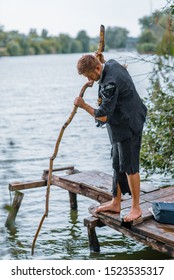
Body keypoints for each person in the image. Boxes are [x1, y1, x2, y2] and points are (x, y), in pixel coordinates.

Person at [74, 54, 147, 222]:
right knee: (117, 163)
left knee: (130, 166)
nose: (88, 79)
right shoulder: (110, 63)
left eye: (89, 75)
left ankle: (136, 208)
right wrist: (101, 59)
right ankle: (116, 202)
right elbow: (105, 63)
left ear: (98, 68)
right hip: (118, 123)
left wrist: (83, 105)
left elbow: (103, 116)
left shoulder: (110, 84)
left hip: (130, 123)